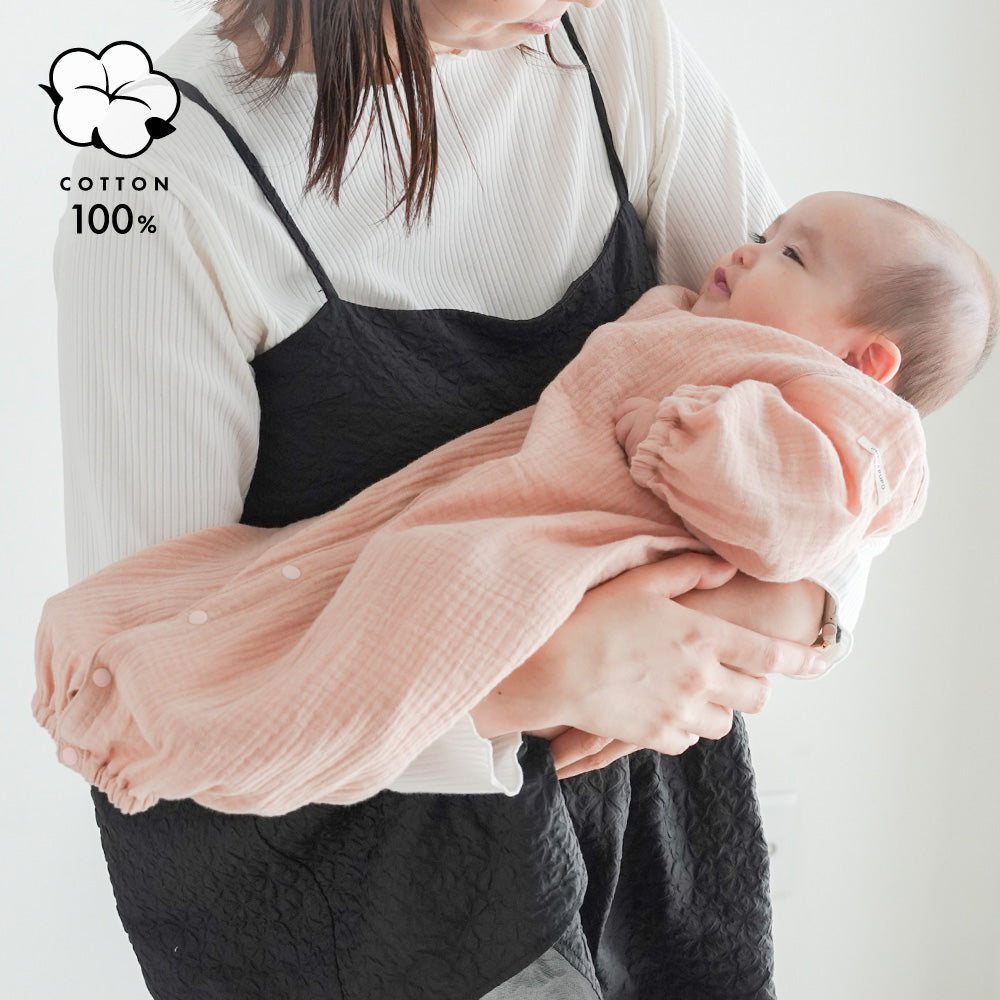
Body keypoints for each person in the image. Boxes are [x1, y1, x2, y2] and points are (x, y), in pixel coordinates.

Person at [47, 0, 891, 996]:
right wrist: (537, 673)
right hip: (357, 893)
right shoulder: (165, 175)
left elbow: (836, 386)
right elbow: (149, 669)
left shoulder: (609, 41)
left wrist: (786, 608)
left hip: (645, 844)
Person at [35, 190, 999, 817]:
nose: (747, 251)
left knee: (411, 592)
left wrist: (691, 443)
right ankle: (130, 656)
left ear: (868, 361)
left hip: (571, 551)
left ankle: (208, 738)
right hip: (507, 501)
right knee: (308, 563)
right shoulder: (729, 324)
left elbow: (813, 524)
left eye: (788, 254)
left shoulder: (840, 413)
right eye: (763, 231)